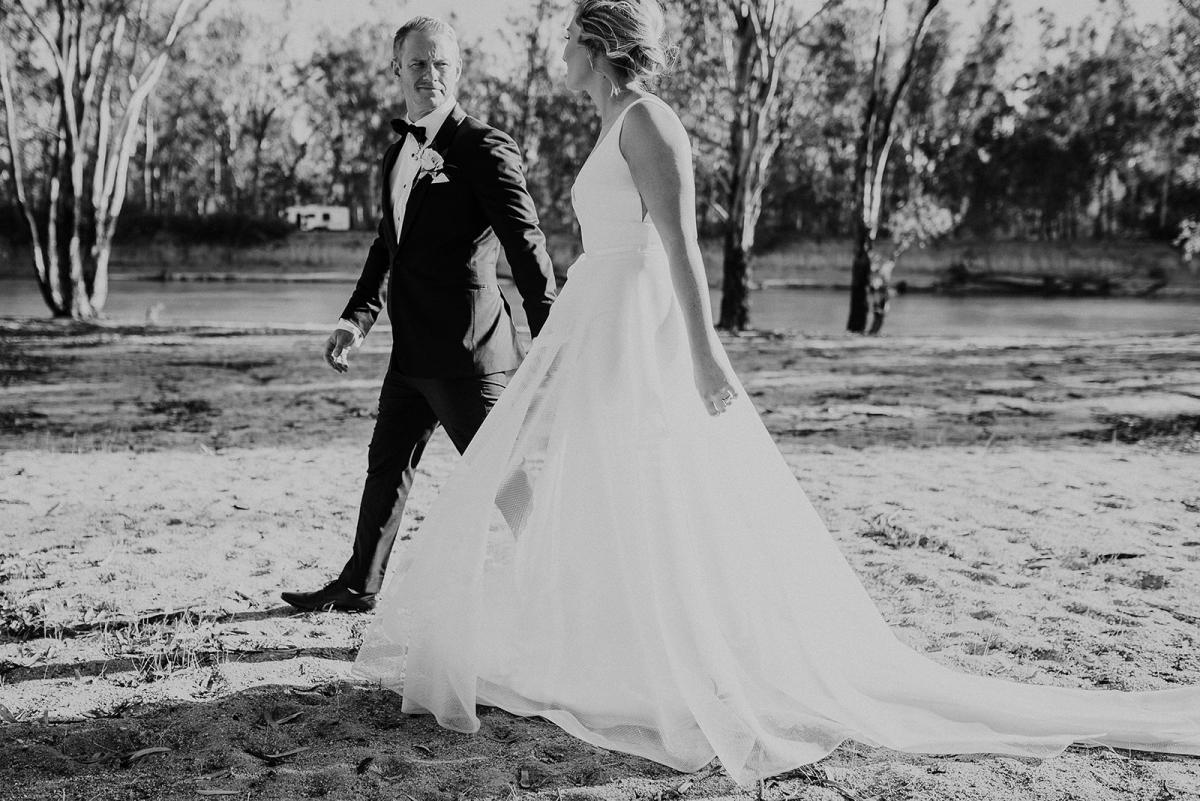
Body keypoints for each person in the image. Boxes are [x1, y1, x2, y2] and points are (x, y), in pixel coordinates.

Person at [354, 0, 1200, 785]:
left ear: (600, 46)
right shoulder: (610, 118)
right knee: (597, 491)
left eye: (571, 40)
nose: (561, 53)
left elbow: (682, 248)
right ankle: (611, 643)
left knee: (647, 487)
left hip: (633, 331)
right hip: (595, 324)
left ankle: (678, 654)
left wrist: (704, 353)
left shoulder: (650, 120)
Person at [282, 17, 557, 613]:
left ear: (457, 72)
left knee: (502, 479)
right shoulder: (393, 155)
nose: (429, 75)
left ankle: (559, 581)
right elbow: (388, 245)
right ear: (398, 70)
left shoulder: (483, 147)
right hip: (409, 353)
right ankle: (359, 585)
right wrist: (355, 319)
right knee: (387, 467)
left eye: (440, 64)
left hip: (469, 354)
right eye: (417, 64)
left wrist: (550, 327)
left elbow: (524, 241)